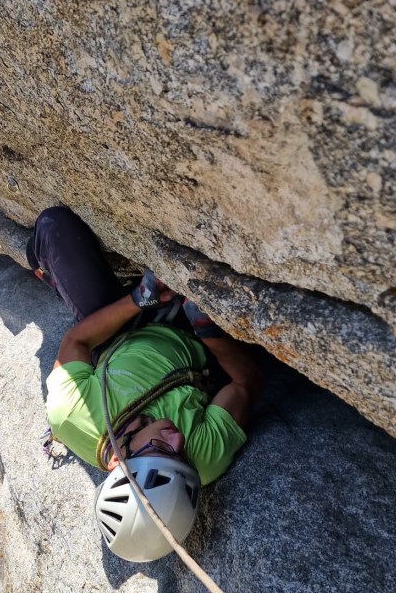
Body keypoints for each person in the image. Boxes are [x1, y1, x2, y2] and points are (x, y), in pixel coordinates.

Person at [28, 206, 260, 562]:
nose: (178, 439)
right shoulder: (202, 460)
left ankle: (45, 267)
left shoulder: (71, 416)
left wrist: (138, 300)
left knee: (53, 225)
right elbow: (246, 382)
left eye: (164, 450)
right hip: (191, 340)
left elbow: (76, 343)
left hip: (116, 333)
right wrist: (208, 332)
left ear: (121, 462)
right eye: (181, 456)